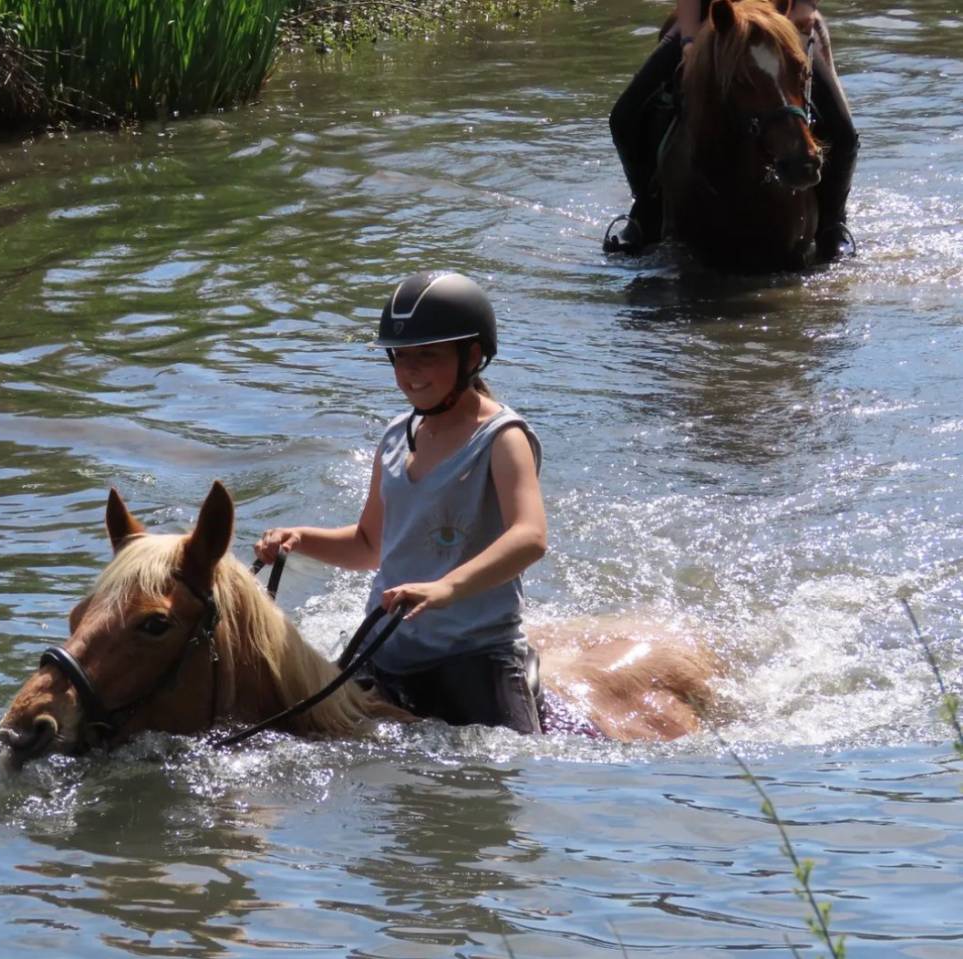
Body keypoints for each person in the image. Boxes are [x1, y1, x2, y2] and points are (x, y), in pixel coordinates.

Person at [254, 272, 548, 734]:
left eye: (427, 356)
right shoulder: (395, 437)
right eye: (401, 357)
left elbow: (530, 537)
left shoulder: (502, 438)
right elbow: (370, 544)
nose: (411, 371)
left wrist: (446, 588)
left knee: (507, 763)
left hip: (474, 654)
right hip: (384, 653)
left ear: (472, 355)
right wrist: (301, 538)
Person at [604, 0, 858, 260]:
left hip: (779, 23)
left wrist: (803, 8)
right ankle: (646, 213)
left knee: (844, 133)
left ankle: (832, 223)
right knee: (624, 116)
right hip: (712, 24)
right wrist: (689, 41)